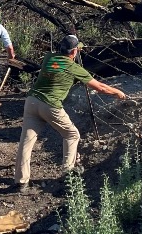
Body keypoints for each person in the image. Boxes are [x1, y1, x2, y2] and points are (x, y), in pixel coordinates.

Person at [13, 35, 127, 194]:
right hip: (50, 105)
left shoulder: (49, 58)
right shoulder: (74, 68)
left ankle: (21, 182)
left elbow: (59, 62)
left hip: (31, 101)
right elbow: (100, 87)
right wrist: (118, 93)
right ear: (74, 52)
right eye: (78, 49)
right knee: (72, 134)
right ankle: (68, 174)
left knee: (26, 142)